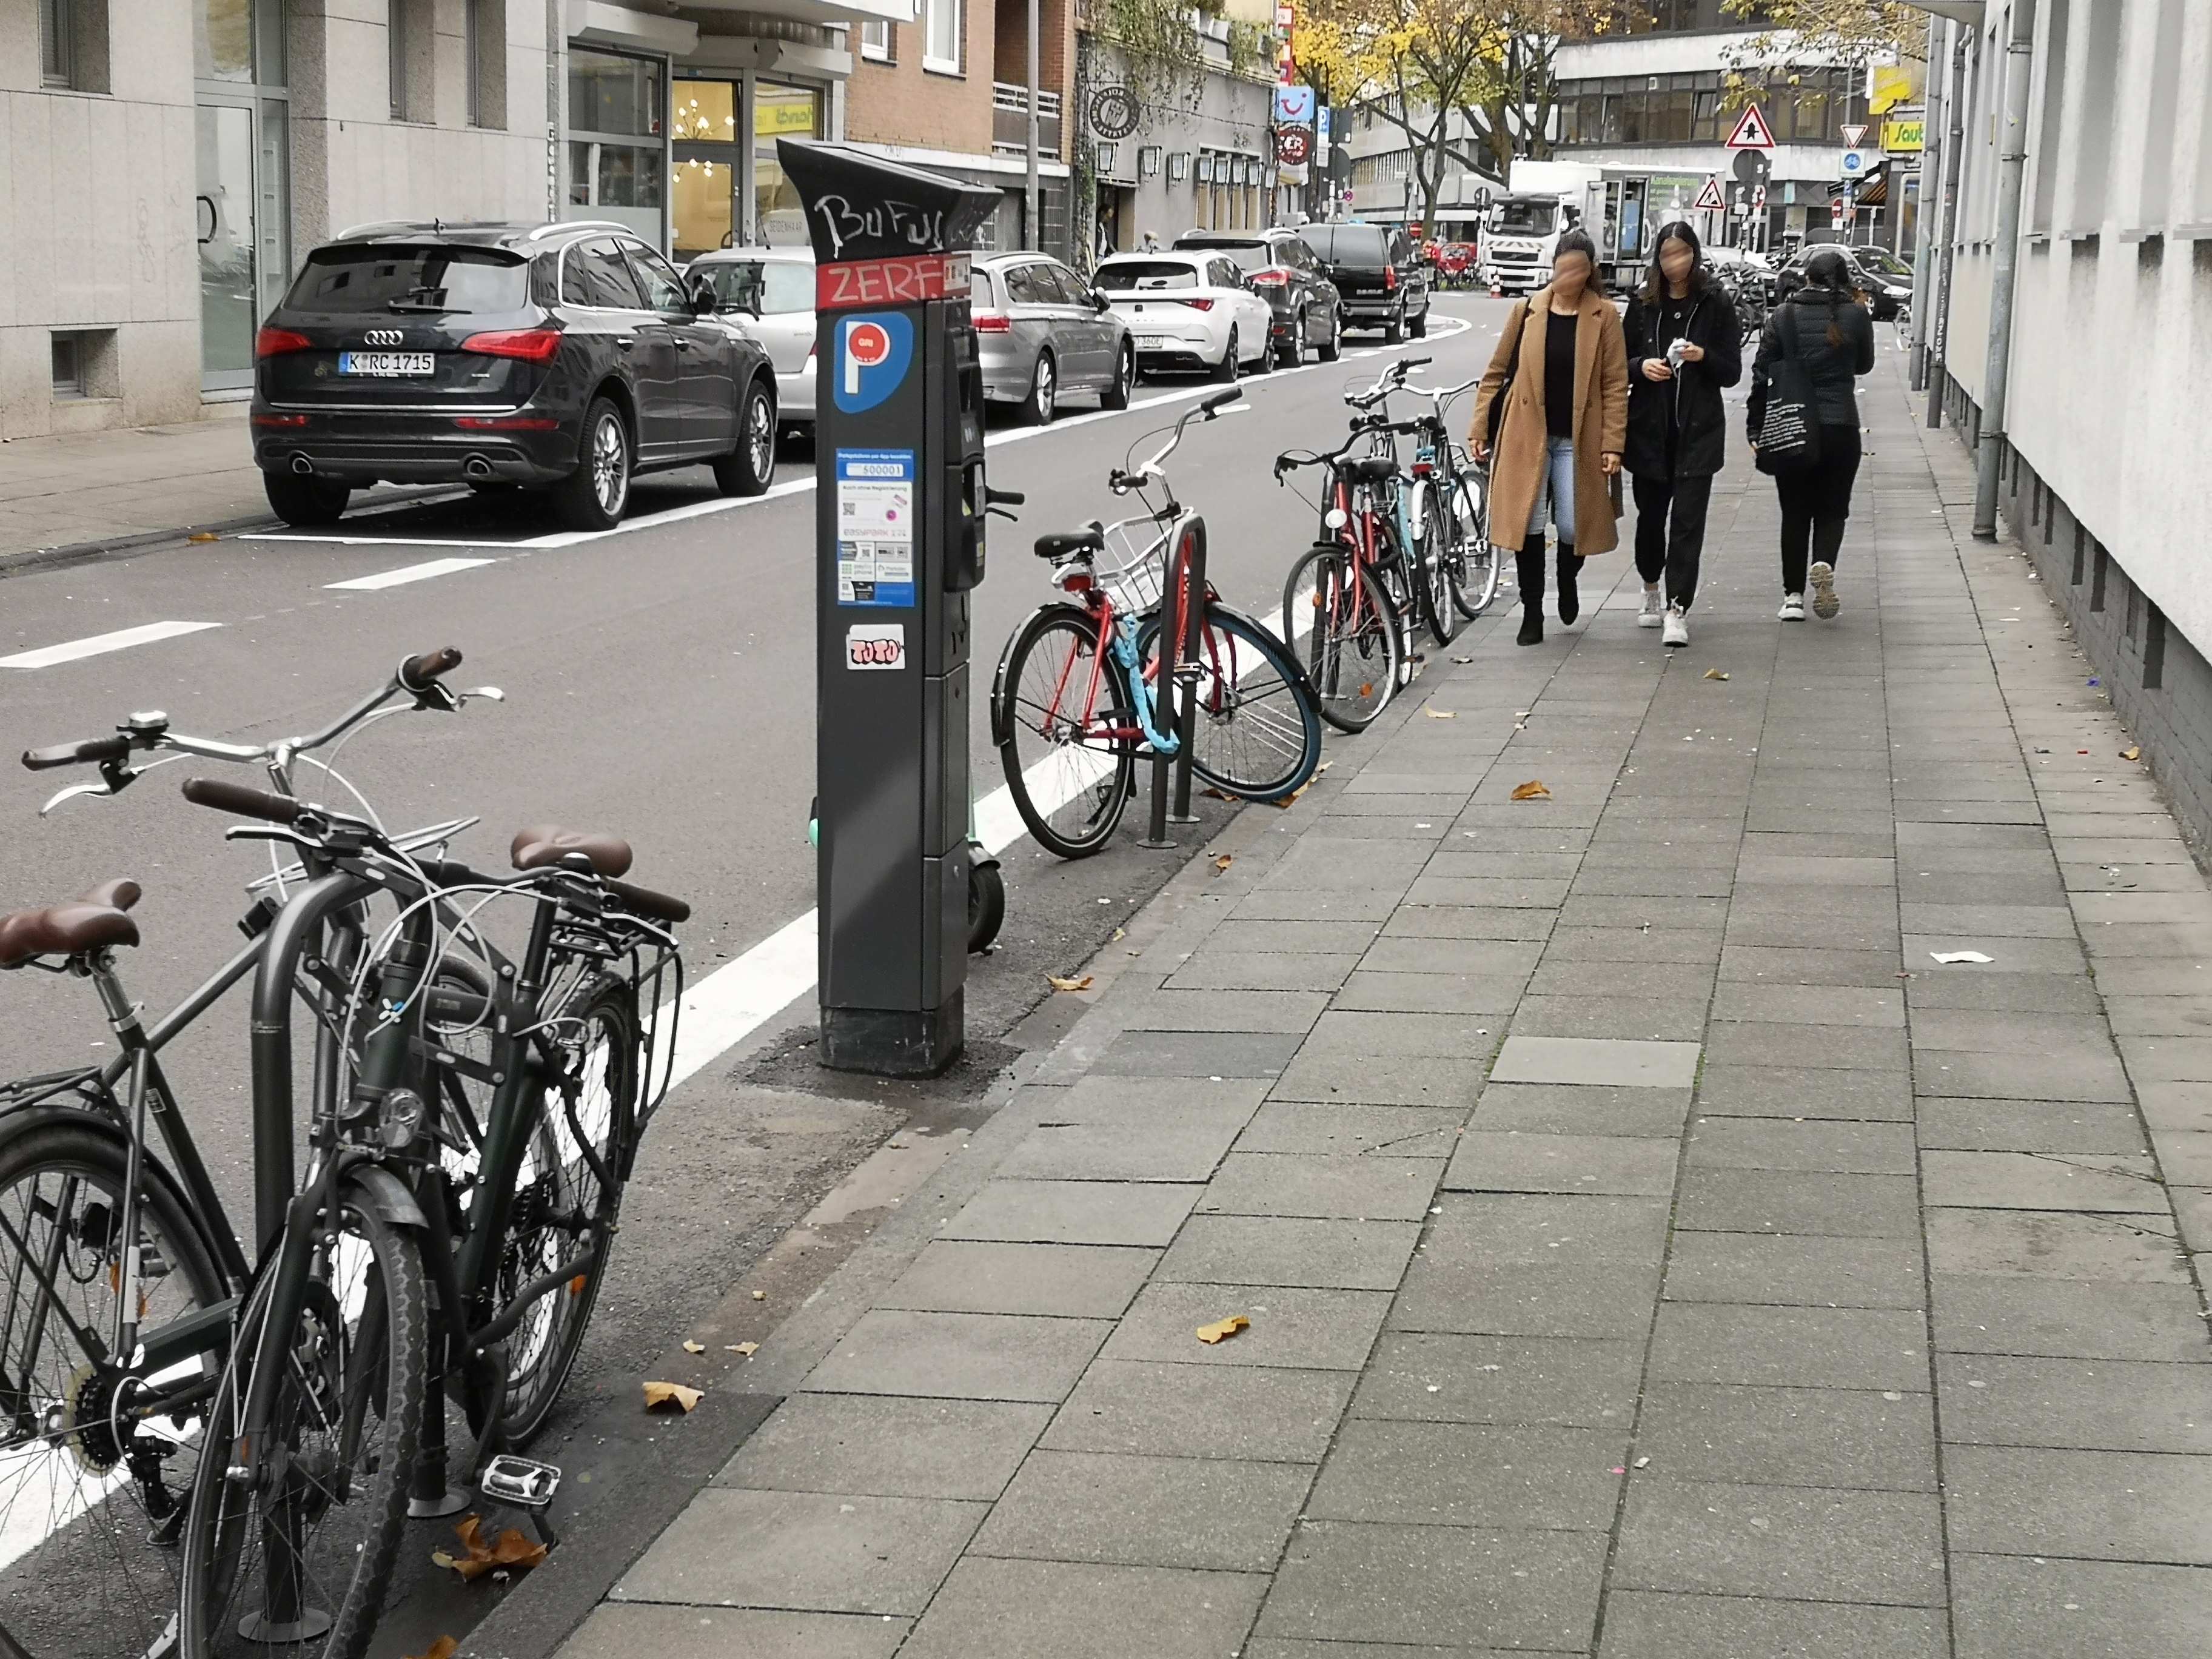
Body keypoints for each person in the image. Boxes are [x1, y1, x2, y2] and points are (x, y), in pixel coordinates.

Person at [1469, 229, 1629, 646]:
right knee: (1530, 525)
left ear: (1591, 271)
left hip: (1579, 438)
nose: (1570, 275)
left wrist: (1613, 443)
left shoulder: (1605, 315)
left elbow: (1615, 384)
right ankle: (1533, 612)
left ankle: (1567, 574)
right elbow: (1495, 374)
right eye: (1564, 265)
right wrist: (1478, 429)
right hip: (1528, 436)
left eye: (1579, 267)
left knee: (1576, 528)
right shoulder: (1527, 311)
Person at [1623, 221, 1741, 649]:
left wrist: (1702, 355)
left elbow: (1732, 370)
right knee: (1651, 522)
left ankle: (1677, 608)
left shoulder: (1714, 303)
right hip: (1650, 433)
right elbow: (1620, 361)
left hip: (1698, 433)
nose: (1674, 263)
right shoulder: (1643, 303)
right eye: (1667, 254)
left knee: (1688, 525)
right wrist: (1643, 367)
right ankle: (1651, 585)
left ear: (1695, 254)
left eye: (1682, 253)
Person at [1745, 245, 1875, 620]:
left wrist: (1756, 427)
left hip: (1793, 426)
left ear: (1807, 277)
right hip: (1841, 426)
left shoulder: (1783, 316)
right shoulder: (1855, 315)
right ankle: (1824, 565)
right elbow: (1864, 365)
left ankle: (1793, 597)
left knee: (1795, 512)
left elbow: (1761, 373)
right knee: (1833, 509)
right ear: (1844, 278)